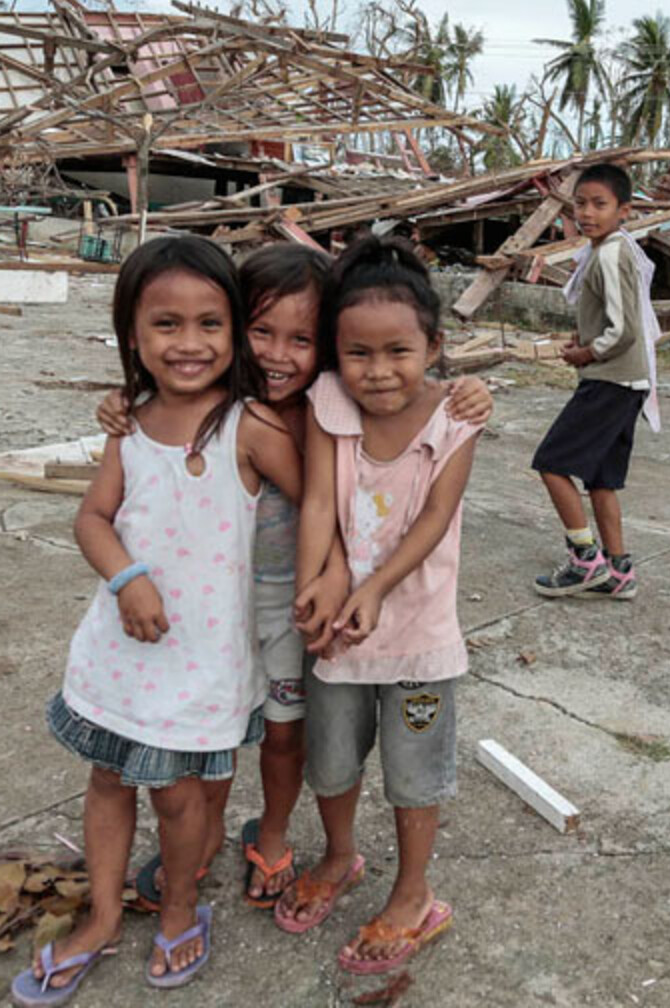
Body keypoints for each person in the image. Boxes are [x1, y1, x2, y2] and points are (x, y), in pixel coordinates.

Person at [94, 244, 493, 913]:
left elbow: (333, 504)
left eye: (303, 339)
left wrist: (464, 387)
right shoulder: (210, 401)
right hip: (206, 604)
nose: (279, 354)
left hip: (298, 602)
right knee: (209, 726)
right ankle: (204, 835)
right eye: (260, 331)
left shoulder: (323, 408)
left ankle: (274, 831)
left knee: (285, 729)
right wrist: (118, 402)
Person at [13, 235, 302, 1005]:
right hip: (121, 649)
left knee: (177, 797)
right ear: (132, 336)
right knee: (107, 779)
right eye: (165, 325)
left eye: (210, 323)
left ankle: (179, 908)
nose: (189, 343)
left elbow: (326, 498)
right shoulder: (129, 424)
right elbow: (92, 518)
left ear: (235, 331)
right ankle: (103, 916)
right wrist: (126, 576)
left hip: (203, 662)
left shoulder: (251, 427)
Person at [276, 234, 481, 977]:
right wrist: (315, 588)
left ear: (434, 344)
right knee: (330, 760)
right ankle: (339, 857)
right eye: (358, 353)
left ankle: (415, 892)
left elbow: (433, 520)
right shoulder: (329, 403)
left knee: (414, 770)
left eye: (399, 351)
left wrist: (370, 588)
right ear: (336, 353)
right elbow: (320, 505)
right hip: (338, 633)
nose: (379, 371)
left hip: (419, 637)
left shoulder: (457, 418)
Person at [529, 163, 660, 600]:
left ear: (624, 210)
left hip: (609, 380)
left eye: (599, 205)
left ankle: (585, 560)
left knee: (551, 462)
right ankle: (619, 570)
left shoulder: (610, 253)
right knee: (602, 479)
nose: (587, 213)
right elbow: (613, 317)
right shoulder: (611, 248)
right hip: (628, 382)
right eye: (580, 204)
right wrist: (582, 338)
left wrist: (586, 352)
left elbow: (623, 330)